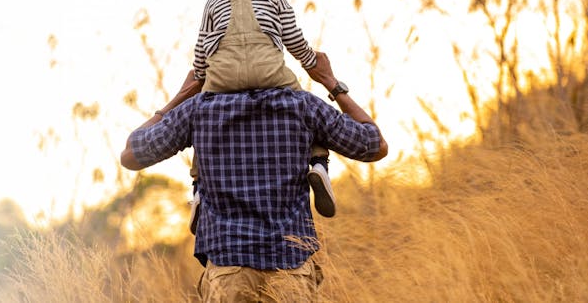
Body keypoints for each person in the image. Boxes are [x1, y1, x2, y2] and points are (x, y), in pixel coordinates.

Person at [121, 52, 388, 302]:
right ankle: (319, 164)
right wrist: (331, 82)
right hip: (290, 267)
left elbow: (132, 154)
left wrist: (180, 97)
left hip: (228, 267)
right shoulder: (302, 104)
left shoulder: (199, 109)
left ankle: (199, 190)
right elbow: (375, 144)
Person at [142, 0, 339, 223]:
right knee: (305, 110)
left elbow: (200, 60)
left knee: (203, 119)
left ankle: (198, 189)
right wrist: (316, 63)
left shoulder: (213, 2)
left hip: (221, 83)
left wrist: (197, 80)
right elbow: (297, 45)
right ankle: (319, 164)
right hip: (272, 79)